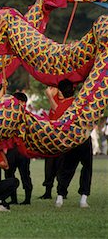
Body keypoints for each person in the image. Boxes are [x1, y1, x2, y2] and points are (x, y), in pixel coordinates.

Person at [46, 79, 93, 208]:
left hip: (70, 141)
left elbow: (56, 119)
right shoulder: (80, 102)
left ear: (60, 92)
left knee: (66, 169)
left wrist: (50, 97)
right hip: (84, 139)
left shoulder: (63, 105)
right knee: (87, 168)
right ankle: (83, 198)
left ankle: (60, 197)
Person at [4, 93, 33, 205]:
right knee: (22, 173)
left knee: (12, 174)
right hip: (19, 149)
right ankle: (24, 199)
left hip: (16, 148)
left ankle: (17, 198)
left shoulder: (12, 114)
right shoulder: (28, 115)